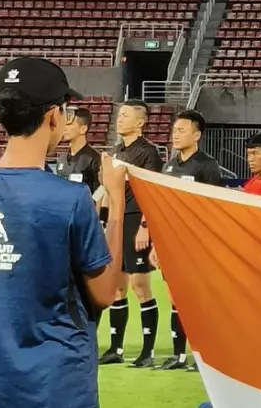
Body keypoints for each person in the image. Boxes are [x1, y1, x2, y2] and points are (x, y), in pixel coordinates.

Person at [0, 56, 127, 408]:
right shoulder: (71, 198)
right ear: (54, 115)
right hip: (57, 388)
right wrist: (116, 202)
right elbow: (105, 293)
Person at [153, 110, 224, 372]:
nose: (175, 134)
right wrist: (156, 242)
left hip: (196, 242)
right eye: (174, 130)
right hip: (171, 241)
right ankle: (178, 355)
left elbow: (214, 207)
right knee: (175, 299)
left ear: (197, 135)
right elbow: (162, 206)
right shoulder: (169, 166)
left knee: (197, 300)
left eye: (182, 130)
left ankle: (204, 357)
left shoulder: (207, 165)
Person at [100, 100, 163, 368]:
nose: (119, 118)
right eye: (119, 114)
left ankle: (148, 352)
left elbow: (153, 193)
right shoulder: (116, 151)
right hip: (118, 221)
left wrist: (145, 227)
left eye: (126, 115)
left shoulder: (148, 153)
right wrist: (104, 222)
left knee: (140, 285)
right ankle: (116, 348)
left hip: (137, 220)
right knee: (117, 287)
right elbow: (107, 192)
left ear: (140, 122)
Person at [55, 106, 104, 207]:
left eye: (70, 124)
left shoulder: (94, 159)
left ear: (83, 129)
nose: (65, 128)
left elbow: (101, 190)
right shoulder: (61, 160)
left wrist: (94, 211)